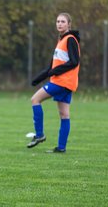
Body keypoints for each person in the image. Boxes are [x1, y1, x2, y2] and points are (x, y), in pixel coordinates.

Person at [28, 13, 80, 153]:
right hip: (65, 83)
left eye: (63, 21)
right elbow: (51, 67)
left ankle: (39, 135)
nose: (59, 24)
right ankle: (61, 147)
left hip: (62, 82)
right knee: (64, 114)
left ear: (69, 24)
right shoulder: (61, 40)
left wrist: (56, 71)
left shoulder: (70, 39)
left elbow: (74, 62)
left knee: (35, 99)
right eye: (57, 21)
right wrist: (37, 79)